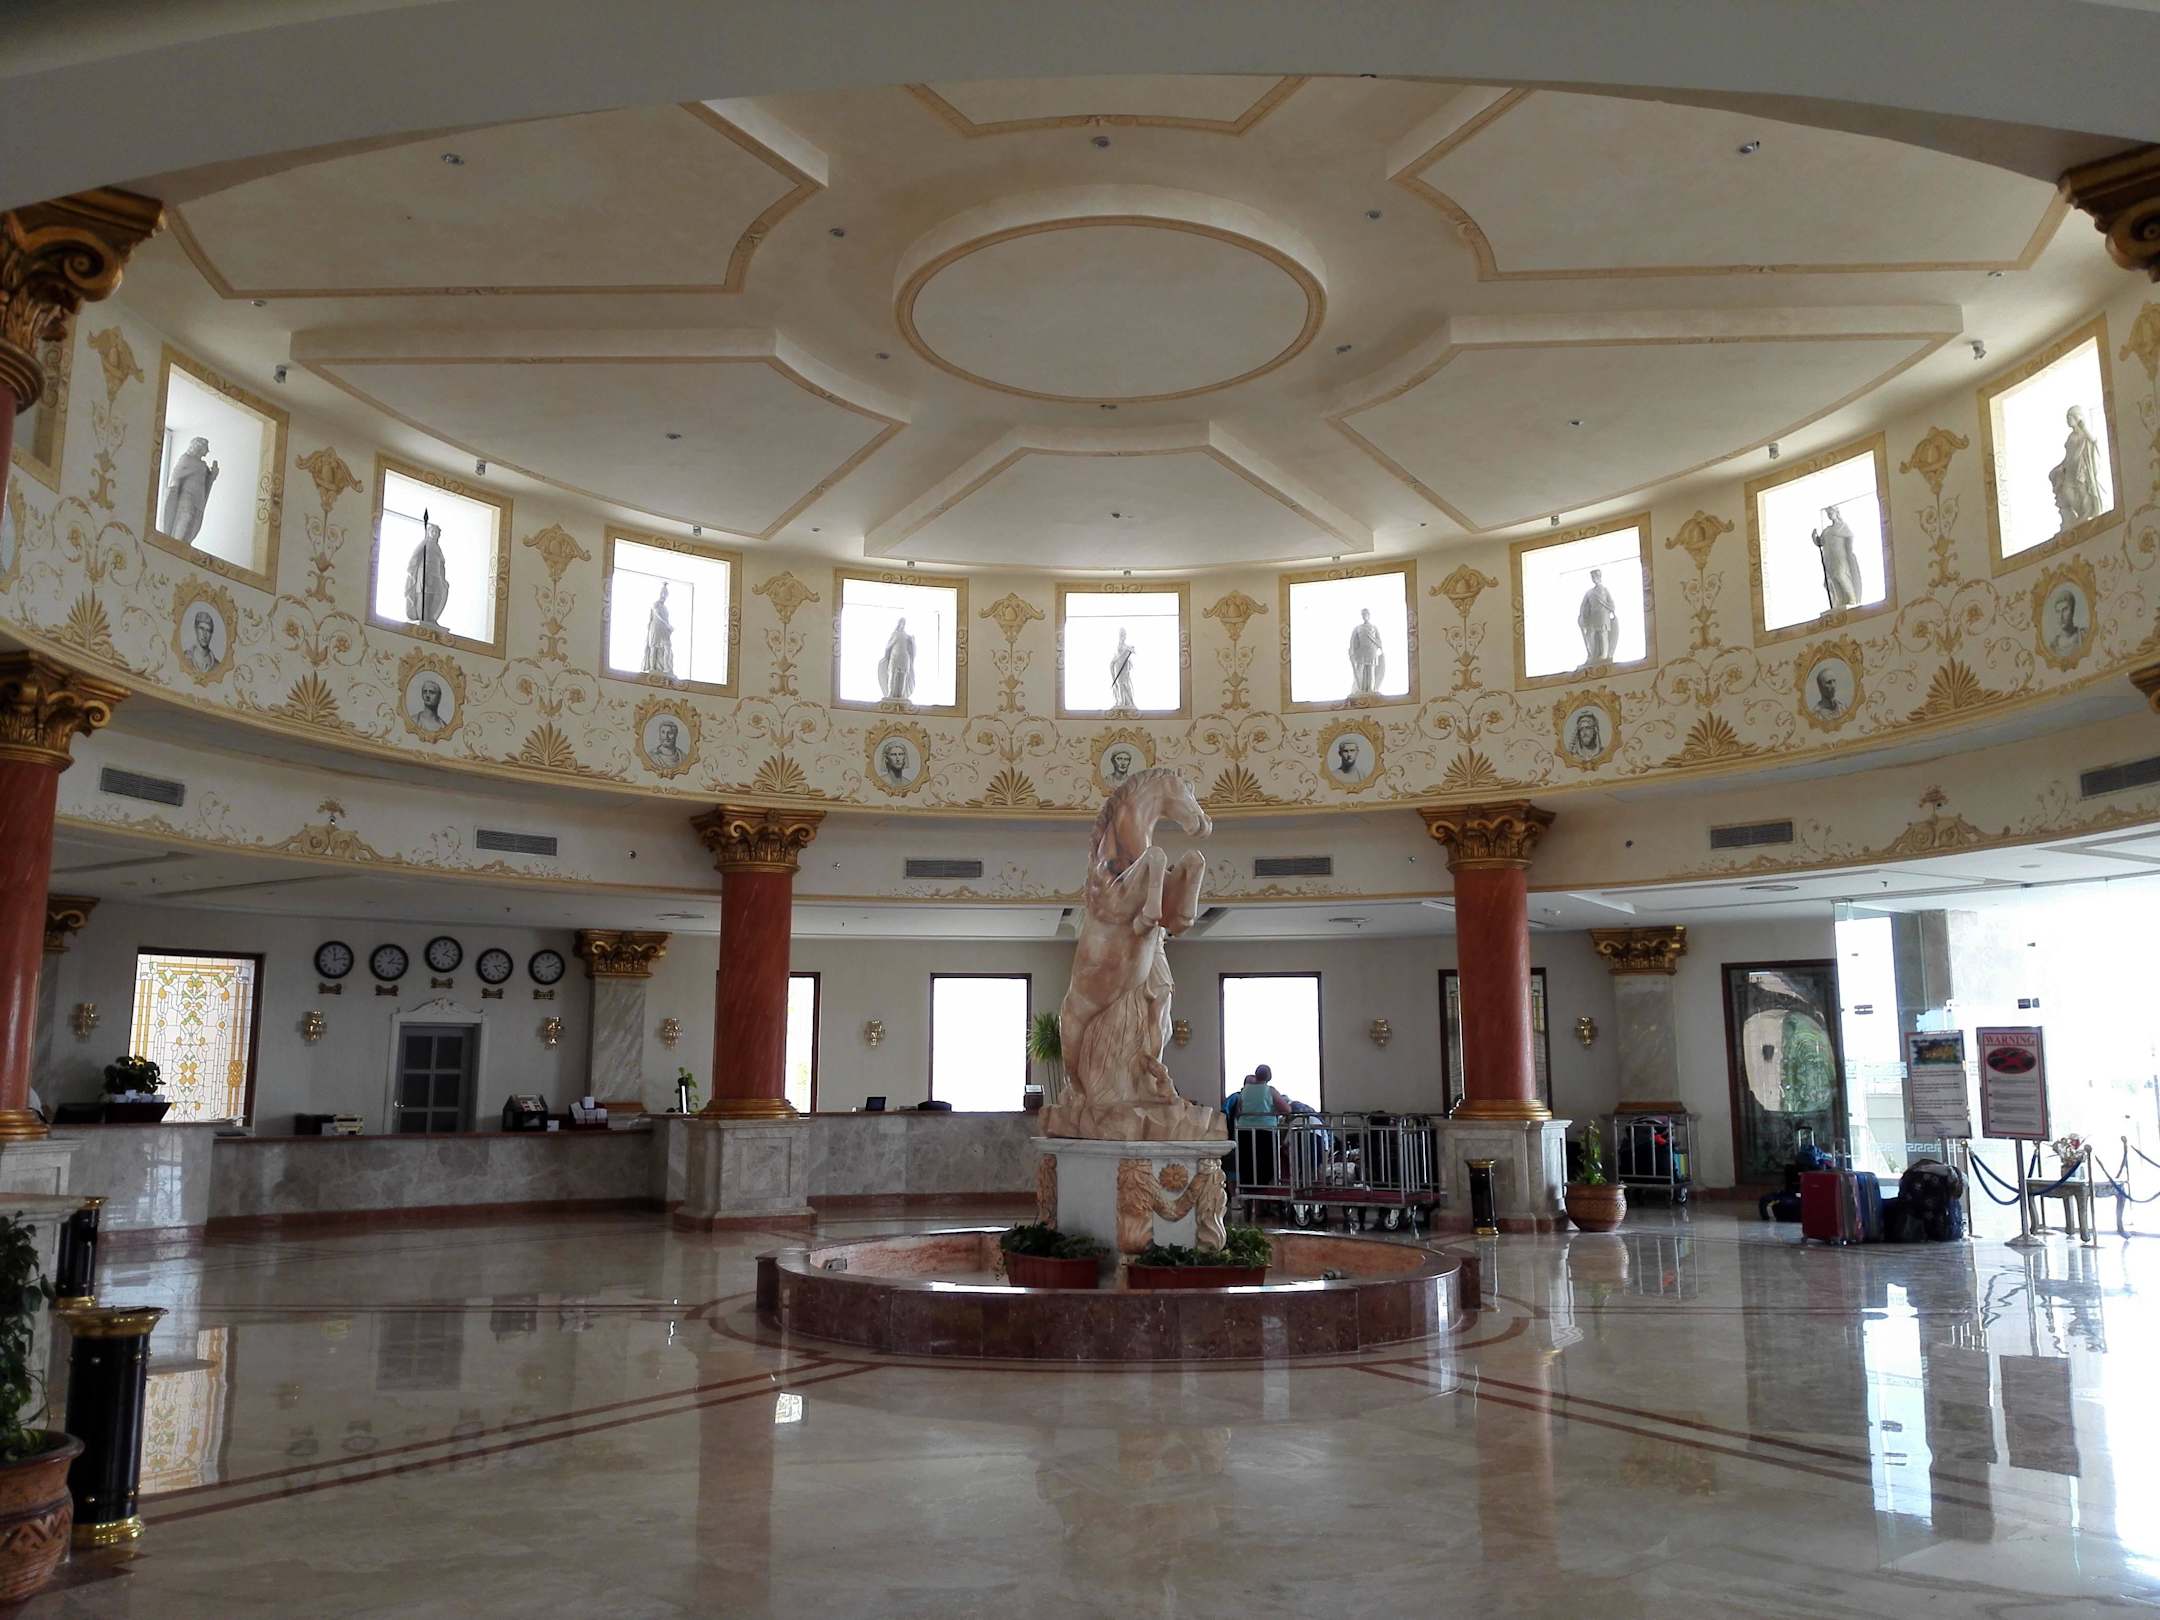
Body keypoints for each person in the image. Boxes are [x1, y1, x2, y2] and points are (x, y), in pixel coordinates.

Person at [2050, 405, 2103, 530]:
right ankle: (2080, 514)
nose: (2068, 419)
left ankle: (2086, 513)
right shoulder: (2071, 437)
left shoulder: (2084, 434)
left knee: (2082, 491)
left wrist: (2083, 426)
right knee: (2067, 491)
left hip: (2081, 469)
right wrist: (2060, 467)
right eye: (2067, 417)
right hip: (2069, 469)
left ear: (2077, 417)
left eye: (2070, 416)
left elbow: (2094, 441)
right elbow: (2068, 455)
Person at [161, 435, 219, 543]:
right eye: (205, 448)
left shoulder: (203, 465)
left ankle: (183, 544)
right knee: (185, 519)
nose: (207, 451)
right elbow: (176, 476)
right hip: (187, 497)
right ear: (198, 447)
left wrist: (212, 475)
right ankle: (176, 543)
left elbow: (206, 481)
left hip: (198, 499)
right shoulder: (186, 459)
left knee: (193, 524)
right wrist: (173, 492)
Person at [404, 509, 450, 626]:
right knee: (425, 595)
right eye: (432, 531)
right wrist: (412, 570)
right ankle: (423, 618)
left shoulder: (437, 547)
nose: (434, 534)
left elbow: (441, 564)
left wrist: (443, 579)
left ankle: (430, 617)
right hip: (425, 573)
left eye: (436, 532)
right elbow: (415, 555)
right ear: (428, 532)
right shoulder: (425, 543)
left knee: (436, 594)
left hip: (436, 574)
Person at [1577, 567, 1618, 665]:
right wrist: (1582, 616)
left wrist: (1611, 610)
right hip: (1593, 617)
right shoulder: (1589, 592)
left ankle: (1604, 655)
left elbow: (1611, 604)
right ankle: (1593, 654)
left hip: (1603, 616)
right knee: (1590, 635)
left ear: (1599, 577)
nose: (1594, 578)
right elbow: (1583, 605)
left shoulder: (1605, 590)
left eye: (1595, 576)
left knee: (1602, 634)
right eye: (1592, 577)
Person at [877, 616, 916, 703]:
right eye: (901, 623)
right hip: (894, 656)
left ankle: (901, 694)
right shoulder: (894, 634)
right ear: (898, 624)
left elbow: (912, 648)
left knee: (903, 675)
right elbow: (888, 647)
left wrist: (912, 641)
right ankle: (890, 693)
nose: (902, 625)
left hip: (904, 657)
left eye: (904, 623)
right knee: (892, 674)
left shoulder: (907, 636)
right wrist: (886, 657)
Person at [1347, 608, 1385, 696]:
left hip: (1372, 651)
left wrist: (1380, 649)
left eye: (1365, 614)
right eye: (1363, 614)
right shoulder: (1358, 628)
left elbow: (1379, 640)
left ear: (1369, 615)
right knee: (1360, 670)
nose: (1364, 616)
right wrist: (1351, 650)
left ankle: (1370, 689)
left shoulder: (1374, 627)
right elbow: (1353, 641)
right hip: (1361, 651)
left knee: (1371, 670)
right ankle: (1358, 689)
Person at [642, 582, 676, 678]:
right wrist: (667, 625)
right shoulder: (656, 604)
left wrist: (669, 628)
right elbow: (658, 615)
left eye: (666, 594)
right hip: (655, 628)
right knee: (654, 648)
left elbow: (666, 618)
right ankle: (652, 668)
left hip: (664, 629)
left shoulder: (665, 608)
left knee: (667, 647)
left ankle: (666, 668)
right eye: (663, 593)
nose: (664, 596)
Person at [181, 607, 220, 674]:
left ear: (211, 634)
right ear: (196, 629)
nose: (204, 635)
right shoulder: (185, 657)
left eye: (208, 630)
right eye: (201, 628)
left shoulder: (217, 666)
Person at [1108, 627, 1136, 710]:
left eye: (1124, 634)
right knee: (1119, 684)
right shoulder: (1119, 645)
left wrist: (1129, 649)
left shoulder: (1126, 646)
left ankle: (1128, 702)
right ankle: (1122, 701)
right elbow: (1117, 655)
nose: (1123, 636)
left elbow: (1133, 652)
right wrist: (1126, 650)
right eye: (1121, 634)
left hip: (1124, 667)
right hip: (1118, 665)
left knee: (1125, 683)